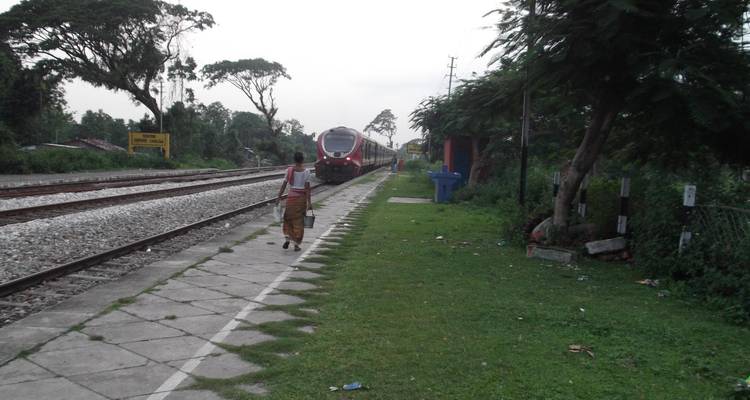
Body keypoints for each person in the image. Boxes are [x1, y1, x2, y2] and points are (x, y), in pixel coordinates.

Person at [276, 152, 312, 251]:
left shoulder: (289, 170)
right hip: (301, 199)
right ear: (302, 160)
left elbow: (284, 185)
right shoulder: (307, 172)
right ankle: (296, 244)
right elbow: (308, 189)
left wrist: (278, 197)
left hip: (291, 198)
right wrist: (309, 203)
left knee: (288, 219)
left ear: (294, 159)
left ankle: (287, 238)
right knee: (299, 222)